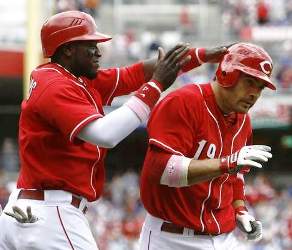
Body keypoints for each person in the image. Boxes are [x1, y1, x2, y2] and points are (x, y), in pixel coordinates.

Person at [0, 10, 228, 250]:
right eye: (90, 45)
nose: (98, 51)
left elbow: (135, 74)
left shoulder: (72, 78)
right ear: (68, 50)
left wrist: (201, 55)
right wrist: (157, 86)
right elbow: (105, 135)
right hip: (51, 214)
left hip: (34, 208)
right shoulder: (56, 85)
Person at [139, 42, 276, 250]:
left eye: (260, 87)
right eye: (249, 82)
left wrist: (240, 210)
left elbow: (236, 177)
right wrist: (226, 164)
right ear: (227, 74)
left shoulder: (243, 121)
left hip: (223, 238)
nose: (254, 94)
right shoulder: (184, 101)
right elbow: (162, 169)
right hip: (172, 237)